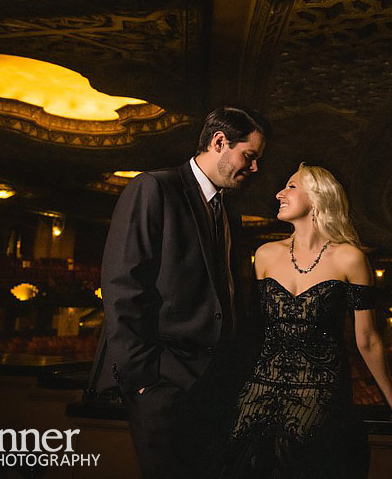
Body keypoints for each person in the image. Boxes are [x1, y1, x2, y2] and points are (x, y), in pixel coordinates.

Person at [87, 107, 269, 479]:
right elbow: (123, 286)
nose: (254, 169)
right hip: (161, 381)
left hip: (212, 383)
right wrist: (143, 380)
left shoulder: (226, 209)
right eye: (249, 156)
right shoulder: (153, 187)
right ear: (220, 142)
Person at [219, 163, 392, 478]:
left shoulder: (350, 258)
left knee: (296, 457)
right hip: (260, 384)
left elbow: (367, 338)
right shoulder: (265, 254)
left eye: (291, 186)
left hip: (320, 389)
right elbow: (254, 330)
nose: (279, 193)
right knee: (240, 457)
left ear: (318, 197)